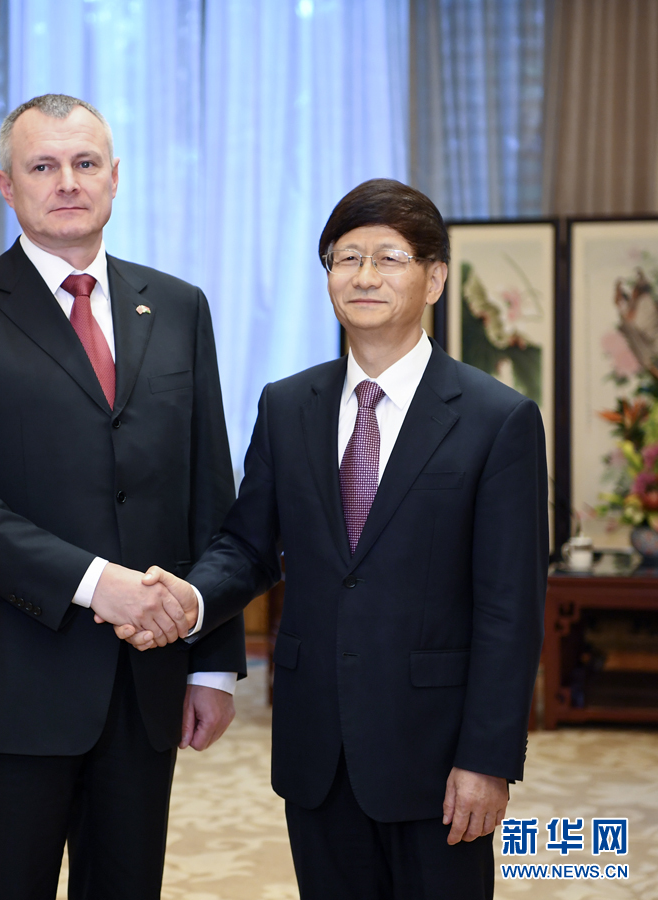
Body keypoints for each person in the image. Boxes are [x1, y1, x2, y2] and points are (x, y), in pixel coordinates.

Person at [122, 179, 548, 899]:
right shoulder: (287, 404)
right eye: (346, 258)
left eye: (389, 258)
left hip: (437, 751)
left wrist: (487, 758)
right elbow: (248, 546)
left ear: (434, 278)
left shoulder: (496, 418)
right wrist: (192, 599)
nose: (364, 276)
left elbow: (511, 608)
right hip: (317, 746)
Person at [0, 93, 244, 900]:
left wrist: (214, 666)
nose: (67, 182)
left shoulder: (179, 306)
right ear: (6, 185)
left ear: (114, 177)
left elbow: (209, 494)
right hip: (11, 683)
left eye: (85, 163)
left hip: (144, 685)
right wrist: (96, 583)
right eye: (43, 166)